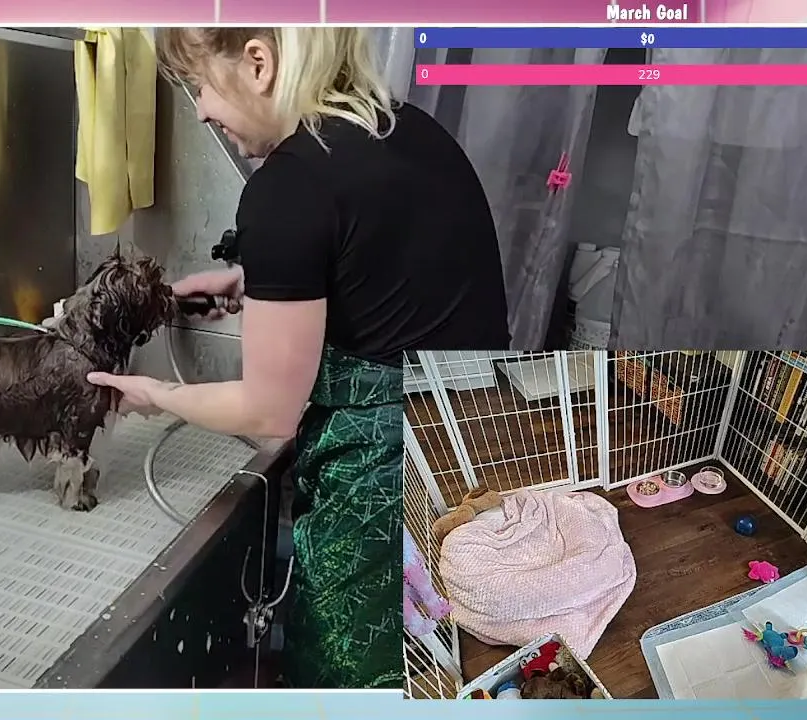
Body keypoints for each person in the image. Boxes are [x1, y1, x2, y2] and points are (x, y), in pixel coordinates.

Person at [86, 27, 510, 689]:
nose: (201, 111)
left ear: (258, 63)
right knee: (440, 643)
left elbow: (268, 413)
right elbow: (380, 271)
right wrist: (255, 281)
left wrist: (154, 395)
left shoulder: (288, 187)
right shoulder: (408, 130)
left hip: (375, 482)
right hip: (456, 444)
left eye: (200, 84)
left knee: (351, 670)